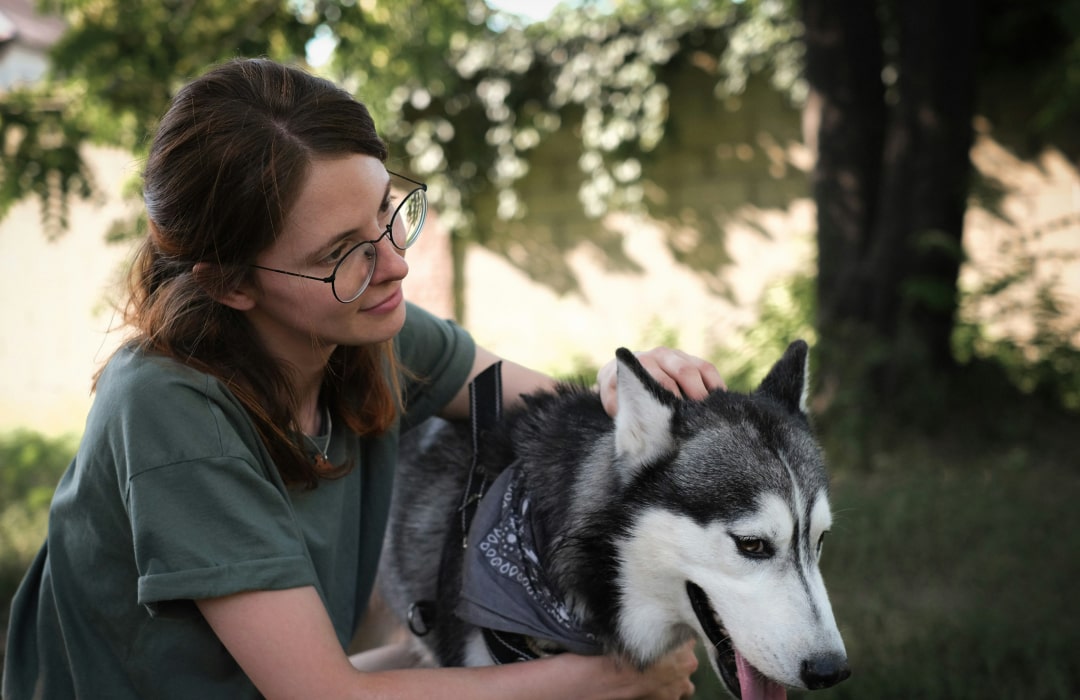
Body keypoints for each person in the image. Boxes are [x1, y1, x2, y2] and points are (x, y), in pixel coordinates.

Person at [2, 57, 725, 699]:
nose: (396, 264)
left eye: (388, 213)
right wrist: (600, 680)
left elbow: (553, 418)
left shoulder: (362, 329)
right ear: (229, 285)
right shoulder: (168, 410)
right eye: (343, 254)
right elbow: (322, 693)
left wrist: (620, 387)